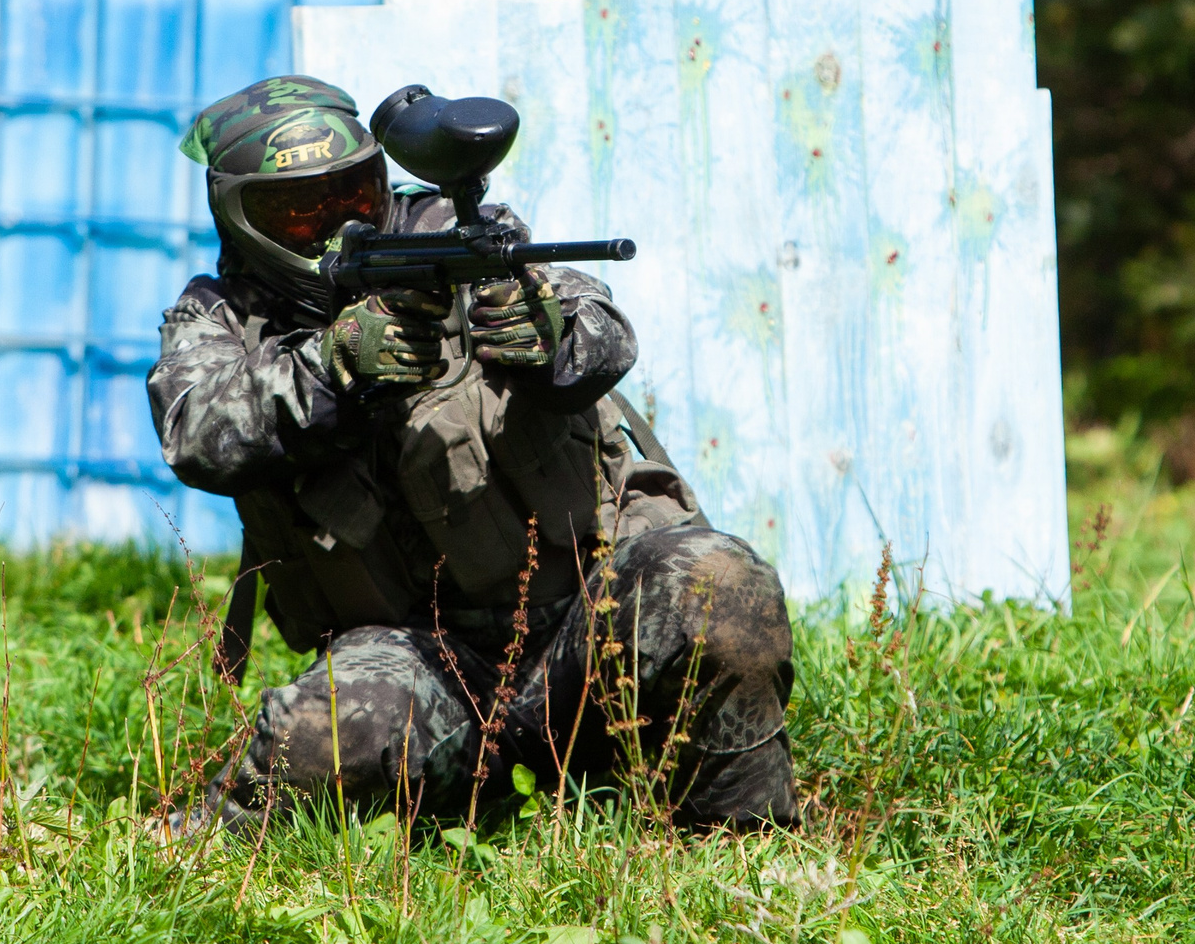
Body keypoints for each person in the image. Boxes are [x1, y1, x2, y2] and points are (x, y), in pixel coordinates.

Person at [147, 75, 797, 832]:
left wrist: (551, 334)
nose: (333, 224)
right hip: (423, 671)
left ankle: (745, 846)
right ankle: (214, 848)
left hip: (590, 637)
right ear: (238, 217)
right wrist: (333, 369)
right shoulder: (221, 318)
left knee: (716, 581)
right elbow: (198, 434)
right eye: (297, 210)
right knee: (323, 734)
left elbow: (601, 326)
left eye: (351, 195)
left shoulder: (463, 242)